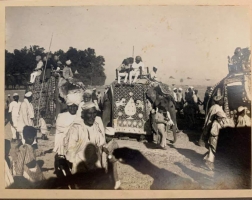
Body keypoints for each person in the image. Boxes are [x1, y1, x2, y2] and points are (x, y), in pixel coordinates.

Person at [64, 102, 120, 189]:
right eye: (89, 113)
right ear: (83, 114)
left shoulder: (96, 127)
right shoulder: (76, 128)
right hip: (80, 165)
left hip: (94, 164)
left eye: (94, 113)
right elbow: (70, 149)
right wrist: (73, 164)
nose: (92, 116)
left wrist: (107, 152)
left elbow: (101, 144)